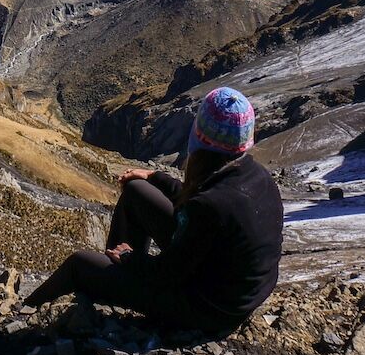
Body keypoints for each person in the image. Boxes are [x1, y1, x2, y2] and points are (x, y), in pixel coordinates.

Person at [24, 87, 283, 333]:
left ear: (199, 136)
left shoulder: (209, 206)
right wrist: (154, 176)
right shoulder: (255, 176)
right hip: (223, 283)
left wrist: (130, 259)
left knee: (79, 264)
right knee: (136, 191)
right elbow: (198, 201)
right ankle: (112, 283)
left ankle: (23, 314)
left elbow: (167, 273)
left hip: (208, 309)